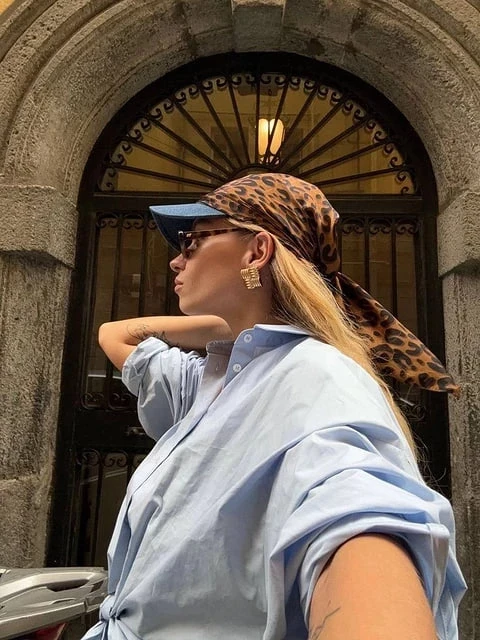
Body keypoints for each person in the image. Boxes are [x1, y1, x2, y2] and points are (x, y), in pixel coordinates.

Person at [85, 173, 466, 640]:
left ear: (257, 251)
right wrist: (233, 327)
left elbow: (355, 512)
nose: (176, 259)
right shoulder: (213, 380)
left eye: (192, 240)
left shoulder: (316, 378)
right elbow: (115, 335)